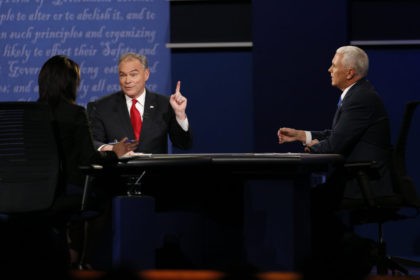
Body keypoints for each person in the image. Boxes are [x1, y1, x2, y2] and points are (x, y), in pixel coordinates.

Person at [277, 45, 393, 279]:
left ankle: (354, 253)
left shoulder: (360, 98)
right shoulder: (359, 94)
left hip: (364, 183)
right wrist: (303, 135)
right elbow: (337, 134)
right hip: (358, 179)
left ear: (349, 72)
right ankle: (342, 256)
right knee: (312, 201)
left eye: (334, 65)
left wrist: (313, 147)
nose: (329, 69)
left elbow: (335, 145)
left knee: (306, 203)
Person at [37, 55, 139, 268]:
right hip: (69, 191)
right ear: (70, 83)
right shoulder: (75, 113)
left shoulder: (32, 114)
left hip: (33, 194)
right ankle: (83, 262)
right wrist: (115, 152)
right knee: (101, 198)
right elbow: (89, 159)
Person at [87, 52, 193, 154]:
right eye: (123, 75)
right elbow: (91, 143)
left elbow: (183, 144)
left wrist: (180, 114)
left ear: (146, 74)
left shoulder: (164, 104)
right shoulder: (101, 107)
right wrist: (112, 149)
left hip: (154, 171)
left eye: (133, 75)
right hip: (119, 171)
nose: (127, 80)